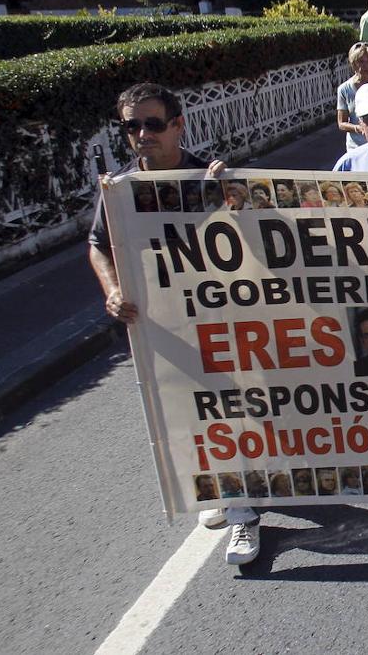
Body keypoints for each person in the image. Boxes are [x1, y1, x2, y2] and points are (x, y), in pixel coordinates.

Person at [86, 83, 258, 565]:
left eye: (152, 124)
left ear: (178, 125)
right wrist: (112, 289)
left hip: (214, 323)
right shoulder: (118, 190)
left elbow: (252, 239)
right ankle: (223, 492)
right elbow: (98, 244)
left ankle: (243, 514)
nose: (142, 135)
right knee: (187, 417)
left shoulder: (207, 177)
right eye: (131, 126)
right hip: (158, 328)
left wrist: (236, 200)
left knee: (224, 413)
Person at [336, 43, 368, 152]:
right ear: (353, 64)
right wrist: (358, 128)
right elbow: (341, 123)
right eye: (361, 61)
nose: (365, 66)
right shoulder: (344, 89)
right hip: (355, 148)